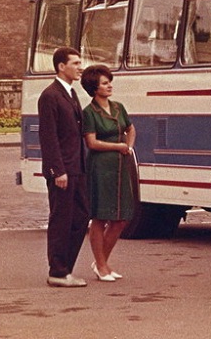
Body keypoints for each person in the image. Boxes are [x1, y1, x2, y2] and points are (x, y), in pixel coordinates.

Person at [38, 46, 90, 288]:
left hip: (77, 168)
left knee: (81, 217)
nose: (80, 67)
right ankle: (57, 271)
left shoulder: (70, 93)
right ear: (62, 66)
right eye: (76, 63)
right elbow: (49, 138)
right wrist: (57, 171)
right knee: (62, 219)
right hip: (63, 171)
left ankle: (65, 268)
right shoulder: (50, 96)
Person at [81, 63, 136, 282]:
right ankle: (102, 265)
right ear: (94, 88)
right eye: (104, 83)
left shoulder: (118, 107)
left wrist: (129, 146)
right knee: (100, 216)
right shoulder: (89, 112)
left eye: (109, 81)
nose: (109, 85)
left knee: (121, 218)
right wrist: (118, 147)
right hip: (101, 167)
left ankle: (101, 261)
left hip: (121, 166)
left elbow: (130, 128)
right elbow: (92, 143)